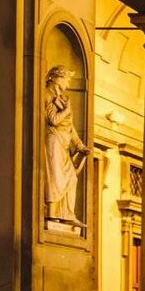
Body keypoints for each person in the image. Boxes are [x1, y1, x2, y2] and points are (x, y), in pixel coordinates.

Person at [43, 66, 86, 224]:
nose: (68, 82)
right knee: (54, 178)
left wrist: (80, 145)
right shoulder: (46, 93)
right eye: (67, 78)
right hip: (53, 140)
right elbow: (53, 120)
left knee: (72, 178)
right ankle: (52, 213)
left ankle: (67, 214)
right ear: (56, 77)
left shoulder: (62, 98)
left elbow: (70, 126)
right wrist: (67, 110)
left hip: (64, 143)